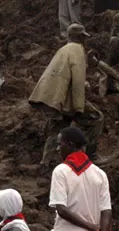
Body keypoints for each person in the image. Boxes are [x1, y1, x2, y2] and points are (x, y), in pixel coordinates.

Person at [29, 23, 102, 165]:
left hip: (54, 98)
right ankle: (89, 156)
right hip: (65, 97)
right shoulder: (77, 50)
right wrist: (79, 107)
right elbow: (78, 80)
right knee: (97, 119)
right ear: (80, 37)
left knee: (57, 127)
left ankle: (46, 162)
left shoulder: (63, 49)